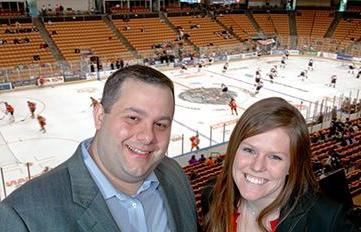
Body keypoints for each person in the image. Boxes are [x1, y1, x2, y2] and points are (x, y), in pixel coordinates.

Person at [0, 65, 198, 232]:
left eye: (161, 124)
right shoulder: (22, 216)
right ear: (99, 116)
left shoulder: (175, 175)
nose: (147, 136)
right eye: (133, 118)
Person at [203, 97, 356, 232]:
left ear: (293, 165)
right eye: (249, 150)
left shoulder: (325, 221)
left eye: (274, 157)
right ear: (234, 149)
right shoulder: (213, 196)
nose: (257, 166)